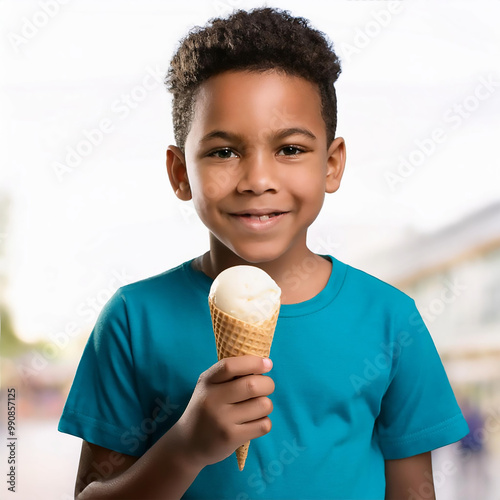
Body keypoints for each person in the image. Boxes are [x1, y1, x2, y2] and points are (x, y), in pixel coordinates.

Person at [58, 7, 469, 499]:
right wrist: (185, 447)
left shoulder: (391, 319)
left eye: (291, 149)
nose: (257, 180)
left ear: (332, 165)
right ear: (179, 172)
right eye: (223, 152)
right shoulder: (132, 320)